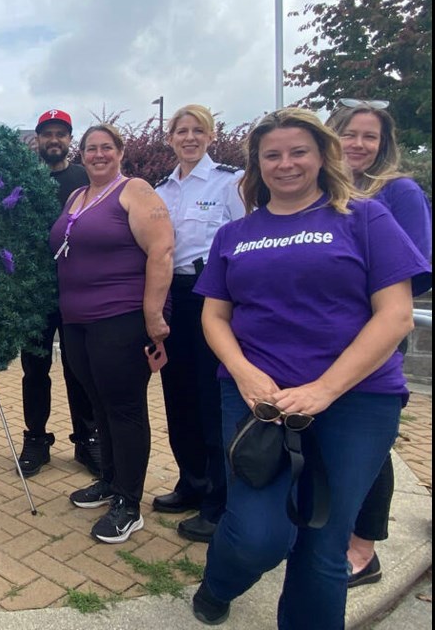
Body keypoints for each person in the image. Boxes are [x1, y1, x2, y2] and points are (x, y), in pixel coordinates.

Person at [190, 108, 431, 628]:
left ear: (323, 156)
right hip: (259, 398)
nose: (285, 164)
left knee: (323, 542)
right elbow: (214, 314)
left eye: (298, 151)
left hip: (357, 401)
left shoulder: (365, 217)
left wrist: (325, 389)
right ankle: (221, 581)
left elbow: (396, 314)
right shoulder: (235, 234)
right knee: (258, 534)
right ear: (257, 165)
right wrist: (244, 373)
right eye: (271, 155)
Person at [325, 99, 433, 588]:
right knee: (327, 437)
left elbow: (417, 276)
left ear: (383, 144)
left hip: (370, 337)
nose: (358, 145)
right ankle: (329, 532)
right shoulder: (323, 191)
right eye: (349, 135)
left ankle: (364, 550)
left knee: (368, 443)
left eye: (370, 137)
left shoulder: (399, 192)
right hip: (321, 338)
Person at [50, 123, 174, 544]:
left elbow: (162, 250)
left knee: (124, 408)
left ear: (120, 152)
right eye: (91, 149)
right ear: (80, 155)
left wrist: (154, 315)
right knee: (97, 403)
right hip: (78, 320)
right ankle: (109, 479)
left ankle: (129, 502)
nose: (98, 154)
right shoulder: (77, 196)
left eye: (106, 148)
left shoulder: (135, 190)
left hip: (121, 318)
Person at [153, 104, 245, 543]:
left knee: (213, 400)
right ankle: (190, 481)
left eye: (197, 131)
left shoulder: (231, 182)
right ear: (170, 138)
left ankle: (219, 500)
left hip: (213, 296)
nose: (188, 138)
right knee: (178, 394)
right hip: (174, 296)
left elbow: (247, 242)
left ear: (210, 137)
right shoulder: (161, 190)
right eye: (181, 131)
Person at [17, 109, 100, 478]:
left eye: (60, 134)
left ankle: (87, 440)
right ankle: (35, 439)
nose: (54, 140)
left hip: (77, 288)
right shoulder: (23, 178)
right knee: (34, 369)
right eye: (47, 134)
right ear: (37, 139)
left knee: (79, 367)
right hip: (34, 292)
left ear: (70, 139)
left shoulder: (85, 178)